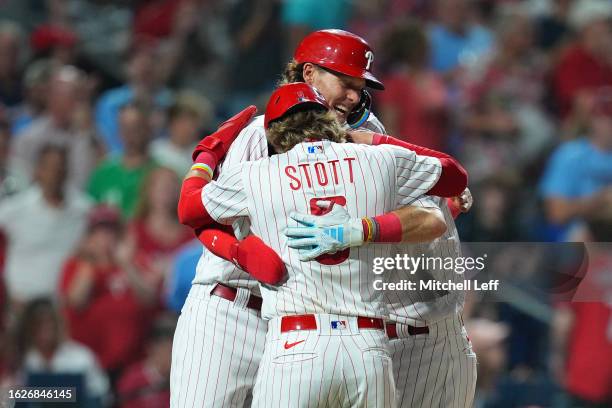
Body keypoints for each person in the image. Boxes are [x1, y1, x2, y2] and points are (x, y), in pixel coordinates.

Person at [172, 29, 469, 407]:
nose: (354, 96)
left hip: (315, 327)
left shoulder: (367, 134)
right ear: (309, 74)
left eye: (359, 87)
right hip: (233, 307)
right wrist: (237, 250)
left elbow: (431, 204)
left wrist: (443, 200)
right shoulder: (260, 133)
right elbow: (197, 214)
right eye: (344, 83)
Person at [0, 144, 91, 308]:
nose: (54, 174)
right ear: (38, 171)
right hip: (21, 304)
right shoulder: (16, 208)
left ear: (66, 171)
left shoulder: (83, 210)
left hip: (63, 308)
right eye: (49, 167)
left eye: (59, 167)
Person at [87, 103, 157, 218]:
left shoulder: (159, 174)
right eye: (124, 128)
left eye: (135, 128)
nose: (129, 134)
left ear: (147, 129)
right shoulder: (103, 172)